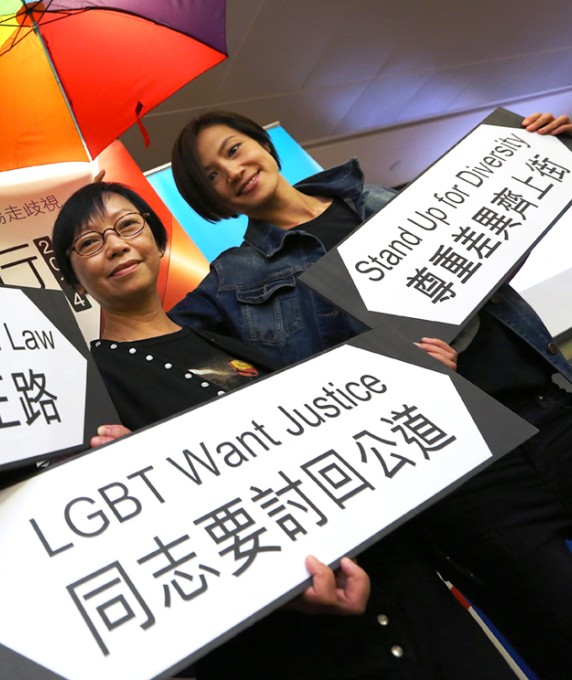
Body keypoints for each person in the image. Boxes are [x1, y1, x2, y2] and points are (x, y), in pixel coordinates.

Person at [167, 109, 572, 678]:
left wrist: (548, 152)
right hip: (464, 472)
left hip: (548, 403)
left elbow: (495, 241)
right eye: (210, 175)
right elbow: (166, 351)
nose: (230, 171)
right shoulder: (232, 282)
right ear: (211, 200)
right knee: (557, 625)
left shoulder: (382, 197)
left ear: (264, 146)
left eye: (233, 151)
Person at [54, 181, 515, 679]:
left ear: (158, 240)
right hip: (292, 636)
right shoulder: (92, 390)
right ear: (75, 281)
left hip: (399, 581)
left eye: (127, 226)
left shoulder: (226, 337)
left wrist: (415, 375)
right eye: (89, 243)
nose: (116, 245)